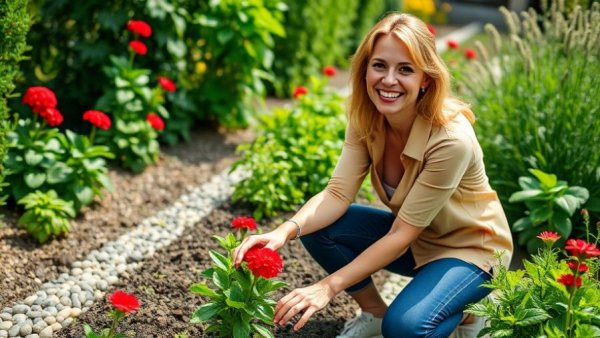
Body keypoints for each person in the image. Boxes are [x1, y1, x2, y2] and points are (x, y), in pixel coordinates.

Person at [233, 12, 513, 338]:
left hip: (471, 252)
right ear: (366, 68)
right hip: (418, 238)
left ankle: (467, 317)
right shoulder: (368, 114)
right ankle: (375, 313)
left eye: (405, 69)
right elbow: (337, 193)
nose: (389, 80)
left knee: (406, 328)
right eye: (379, 65)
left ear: (426, 78)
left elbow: (401, 235)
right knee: (319, 227)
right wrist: (284, 231)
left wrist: (327, 287)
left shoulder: (451, 139)